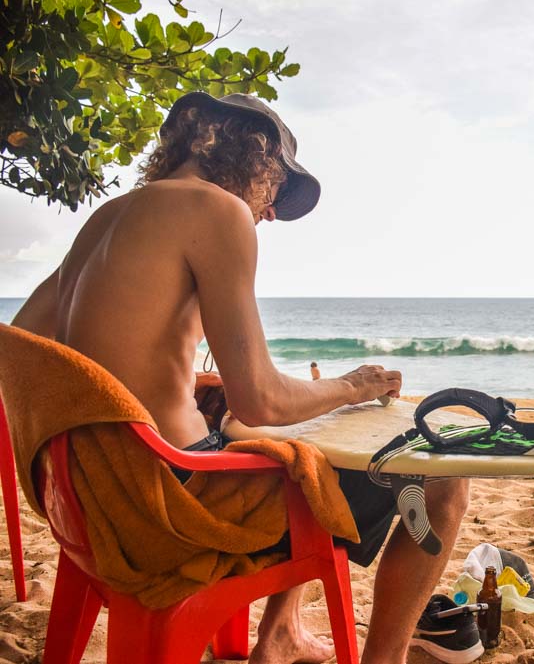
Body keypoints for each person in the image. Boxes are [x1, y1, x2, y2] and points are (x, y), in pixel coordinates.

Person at [11, 92, 470, 664]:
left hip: (85, 498)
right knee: (441, 480)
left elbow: (25, 346)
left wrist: (153, 390)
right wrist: (357, 385)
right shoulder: (216, 210)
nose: (271, 209)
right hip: (171, 504)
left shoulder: (105, 219)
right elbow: (262, 400)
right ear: (251, 152)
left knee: (297, 454)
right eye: (275, 186)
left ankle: (281, 632)